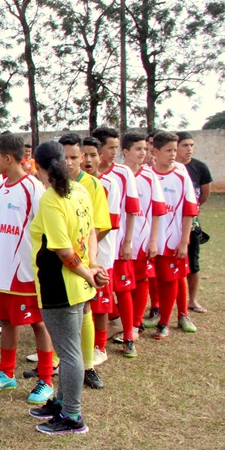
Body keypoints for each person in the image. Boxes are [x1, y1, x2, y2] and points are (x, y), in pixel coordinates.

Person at [28, 140, 107, 435]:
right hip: (77, 282)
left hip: (61, 285)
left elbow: (63, 252)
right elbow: (92, 233)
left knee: (70, 354)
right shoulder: (80, 190)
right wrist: (94, 268)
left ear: (38, 167)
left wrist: (88, 273)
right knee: (68, 348)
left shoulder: (51, 199)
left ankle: (72, 416)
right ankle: (60, 402)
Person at [0, 134, 55, 404]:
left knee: (38, 322)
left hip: (26, 273)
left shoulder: (32, 188)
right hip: (2, 274)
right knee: (8, 320)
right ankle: (6, 373)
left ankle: (46, 379)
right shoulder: (2, 188)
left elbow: (46, 230)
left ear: (8, 158)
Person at [55, 134, 111, 391]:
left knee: (85, 309)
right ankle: (55, 361)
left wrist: (90, 262)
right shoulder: (50, 185)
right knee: (55, 315)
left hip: (79, 261)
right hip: (54, 259)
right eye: (63, 157)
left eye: (74, 157)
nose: (69, 163)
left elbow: (97, 227)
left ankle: (87, 366)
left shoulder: (91, 186)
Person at [93, 126, 140, 364]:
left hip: (115, 242)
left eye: (115, 147)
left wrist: (128, 241)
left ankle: (129, 333)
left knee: (122, 288)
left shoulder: (120, 175)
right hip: (92, 245)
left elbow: (131, 209)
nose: (114, 152)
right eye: (110, 147)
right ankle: (101, 333)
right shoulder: (82, 176)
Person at [148, 130, 199, 338]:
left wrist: (184, 240)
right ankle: (148, 316)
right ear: (155, 151)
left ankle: (165, 322)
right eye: (169, 150)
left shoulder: (180, 174)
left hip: (172, 239)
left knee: (171, 279)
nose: (173, 154)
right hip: (149, 239)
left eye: (174, 150)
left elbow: (189, 210)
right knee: (152, 279)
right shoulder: (146, 174)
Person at [121, 130, 165, 356]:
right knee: (123, 283)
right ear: (126, 151)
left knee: (141, 279)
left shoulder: (150, 177)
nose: (143, 153)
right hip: (121, 239)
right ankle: (121, 322)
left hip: (142, 238)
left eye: (145, 149)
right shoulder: (117, 174)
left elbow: (158, 211)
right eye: (138, 149)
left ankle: (136, 323)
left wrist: (154, 240)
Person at [176, 131, 211, 314]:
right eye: (185, 145)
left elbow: (204, 195)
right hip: (171, 224)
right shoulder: (171, 168)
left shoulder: (200, 168)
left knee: (193, 263)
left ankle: (193, 300)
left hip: (192, 224)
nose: (189, 149)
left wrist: (192, 212)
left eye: (191, 145)